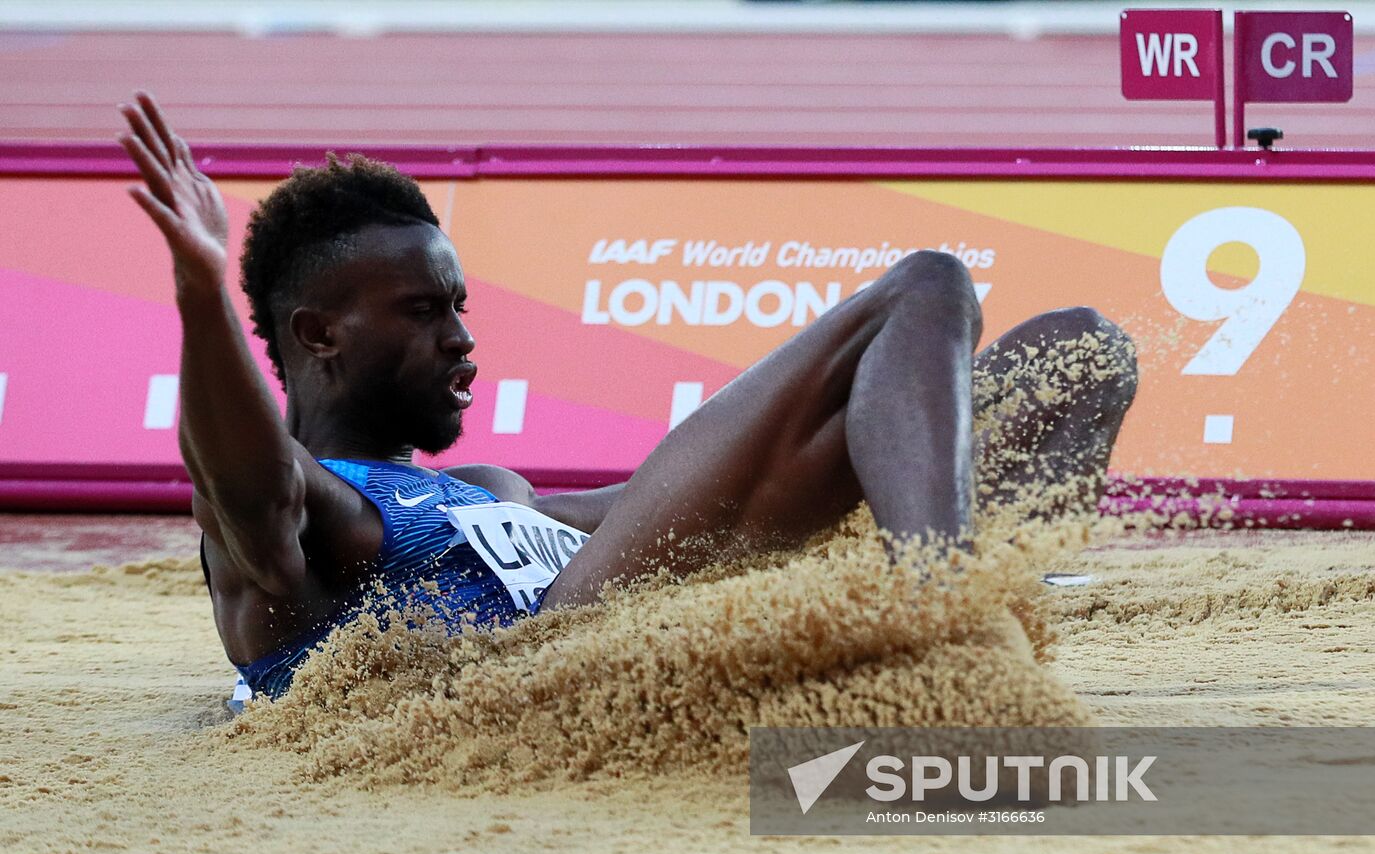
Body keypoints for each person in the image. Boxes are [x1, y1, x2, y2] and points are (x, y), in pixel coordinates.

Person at [117, 93, 1137, 699]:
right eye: (426, 311)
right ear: (319, 335)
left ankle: (971, 593)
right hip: (543, 664)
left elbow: (678, 497)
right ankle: (953, 609)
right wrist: (201, 297)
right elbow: (251, 486)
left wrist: (862, 442)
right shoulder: (302, 526)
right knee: (924, 285)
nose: (463, 339)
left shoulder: (486, 487)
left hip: (642, 606)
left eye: (462, 307)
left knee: (1078, 354)